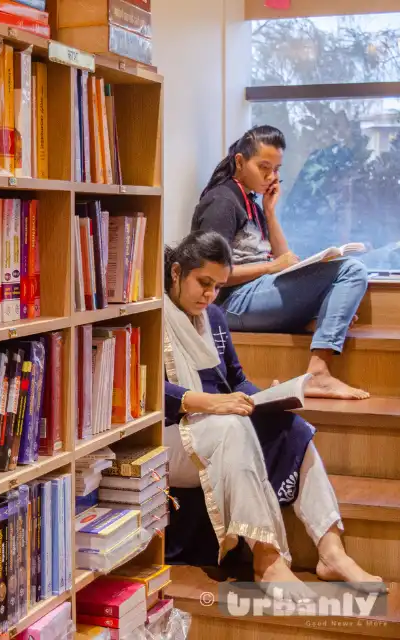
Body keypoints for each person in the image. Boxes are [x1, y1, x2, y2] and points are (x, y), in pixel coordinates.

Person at [162, 230, 384, 600]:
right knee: (232, 428)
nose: (210, 295)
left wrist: (267, 397)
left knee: (292, 426)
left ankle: (331, 552)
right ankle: (268, 559)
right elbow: (153, 394)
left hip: (223, 422)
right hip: (174, 434)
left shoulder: (214, 318)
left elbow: (236, 380)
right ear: (176, 272)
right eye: (203, 283)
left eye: (218, 286)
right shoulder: (155, 317)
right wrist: (213, 404)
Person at [192, 125, 369, 400]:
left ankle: (318, 327)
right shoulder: (222, 202)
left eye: (276, 169)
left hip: (254, 293)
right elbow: (207, 273)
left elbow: (284, 260)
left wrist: (271, 213)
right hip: (231, 302)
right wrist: (270, 267)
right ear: (240, 161)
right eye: (264, 167)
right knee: (352, 270)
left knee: (345, 272)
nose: (271, 176)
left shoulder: (250, 201)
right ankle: (319, 374)